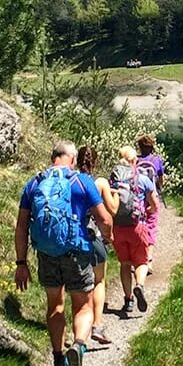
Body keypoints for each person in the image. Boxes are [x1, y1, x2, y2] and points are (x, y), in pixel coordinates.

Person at [13, 141, 112, 366]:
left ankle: (58, 359)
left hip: (46, 253)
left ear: (52, 157)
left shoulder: (34, 183)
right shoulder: (81, 181)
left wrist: (21, 263)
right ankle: (78, 346)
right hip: (77, 251)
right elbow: (105, 219)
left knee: (54, 305)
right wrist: (106, 239)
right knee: (83, 305)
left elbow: (21, 226)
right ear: (73, 159)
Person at [77, 146, 119, 345]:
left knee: (77, 285)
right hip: (93, 238)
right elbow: (111, 211)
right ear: (95, 162)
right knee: (99, 280)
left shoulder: (71, 181)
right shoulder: (99, 182)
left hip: (73, 239)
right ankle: (97, 325)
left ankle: (77, 329)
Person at [111, 146, 160, 315]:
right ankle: (139, 285)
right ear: (134, 161)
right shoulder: (142, 178)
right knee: (141, 261)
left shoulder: (114, 180)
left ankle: (128, 300)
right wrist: (148, 212)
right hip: (136, 226)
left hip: (118, 228)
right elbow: (155, 205)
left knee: (125, 263)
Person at [135, 135, 166, 269]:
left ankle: (138, 258)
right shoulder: (156, 160)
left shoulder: (135, 160)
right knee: (151, 226)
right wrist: (160, 188)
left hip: (139, 198)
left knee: (139, 225)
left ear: (140, 147)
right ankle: (149, 260)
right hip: (152, 197)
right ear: (152, 147)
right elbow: (160, 178)